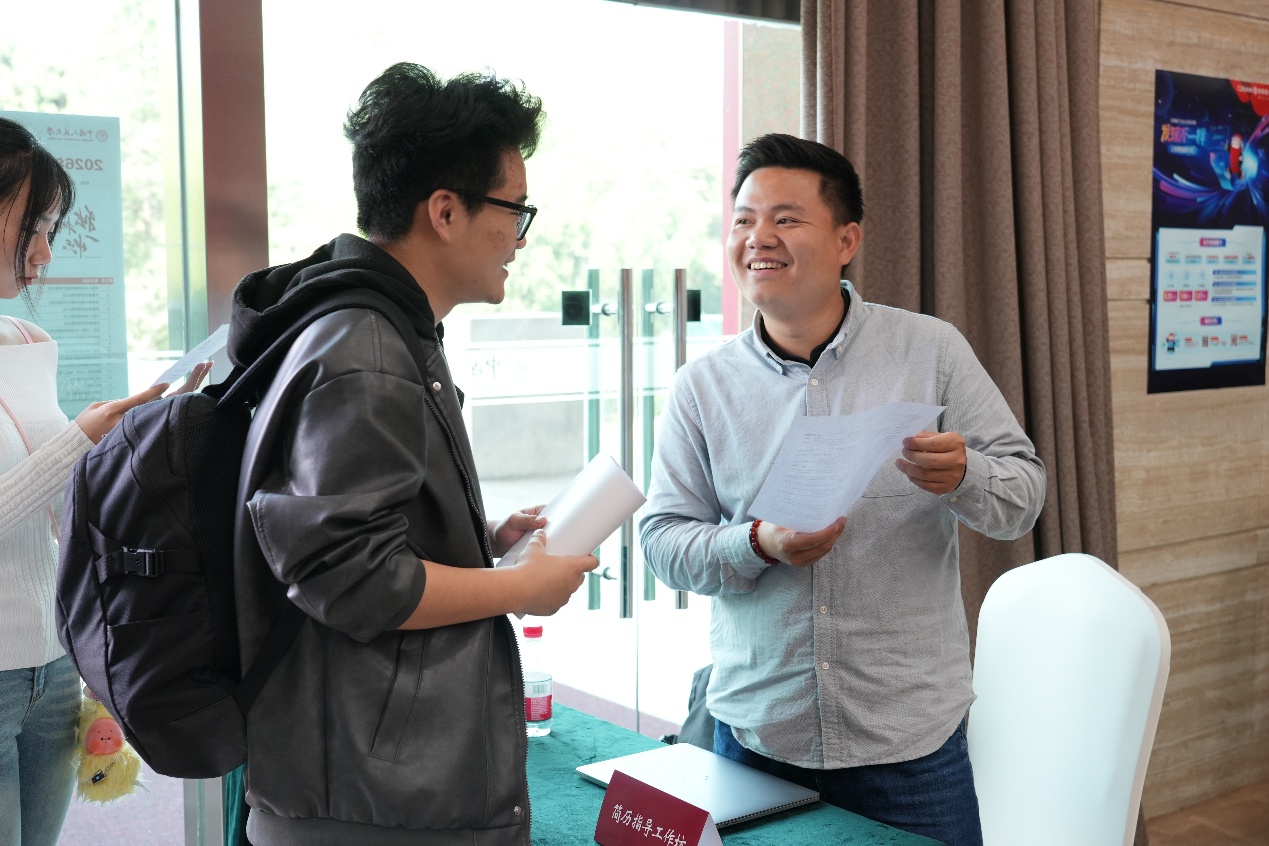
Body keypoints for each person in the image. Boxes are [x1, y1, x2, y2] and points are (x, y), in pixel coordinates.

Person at [639, 133, 1046, 846]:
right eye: (743, 220)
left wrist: (965, 476)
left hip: (909, 744)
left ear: (846, 239)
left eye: (786, 219)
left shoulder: (931, 350)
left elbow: (1024, 495)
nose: (758, 238)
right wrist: (756, 543)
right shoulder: (701, 387)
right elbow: (662, 542)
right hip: (758, 735)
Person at [229, 63, 598, 845]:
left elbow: (346, 533)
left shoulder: (367, 327)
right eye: (514, 210)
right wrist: (517, 587)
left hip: (361, 778)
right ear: (445, 211)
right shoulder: (367, 349)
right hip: (371, 798)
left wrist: (479, 539)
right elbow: (351, 578)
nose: (520, 239)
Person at [0, 117, 207, 846]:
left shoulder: (27, 342)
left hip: (52, 667)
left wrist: (132, 433)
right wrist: (80, 439)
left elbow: (54, 500)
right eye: (32, 225)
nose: (45, 251)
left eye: (50, 227)